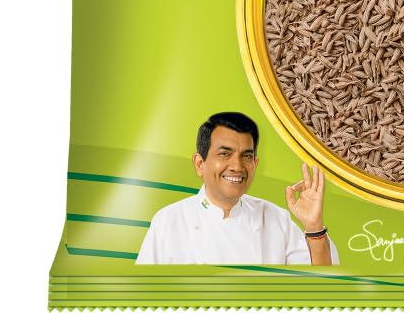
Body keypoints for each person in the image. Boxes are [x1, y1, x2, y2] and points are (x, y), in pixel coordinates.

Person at [136, 111, 338, 265]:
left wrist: (314, 227)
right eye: (224, 154)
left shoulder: (276, 219)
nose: (237, 166)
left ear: (255, 164)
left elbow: (319, 288)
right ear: (199, 164)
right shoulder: (168, 221)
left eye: (246, 156)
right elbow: (143, 297)